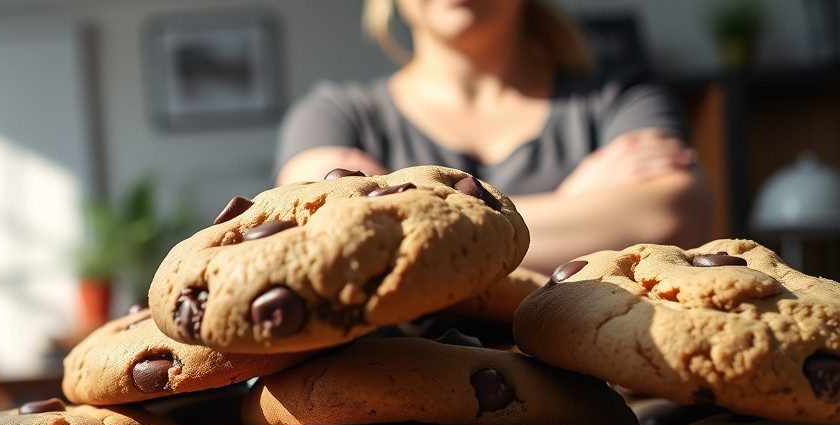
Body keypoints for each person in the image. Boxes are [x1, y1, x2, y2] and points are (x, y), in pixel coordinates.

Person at [275, 0, 710, 275]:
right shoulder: (333, 114)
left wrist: (411, 221)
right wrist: (570, 204)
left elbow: (672, 212)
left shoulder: (621, 98)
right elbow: (326, 235)